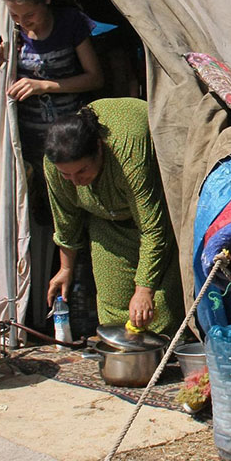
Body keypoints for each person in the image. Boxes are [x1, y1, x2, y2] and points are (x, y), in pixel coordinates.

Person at [43, 99, 184, 337]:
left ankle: (158, 360)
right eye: (67, 175)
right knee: (114, 310)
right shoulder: (55, 165)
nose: (75, 181)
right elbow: (66, 218)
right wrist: (66, 268)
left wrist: (144, 290)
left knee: (158, 311)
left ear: (99, 148)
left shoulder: (129, 155)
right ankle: (123, 362)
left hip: (156, 217)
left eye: (82, 171)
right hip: (106, 220)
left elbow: (153, 229)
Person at [0, 0, 104, 164]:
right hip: (29, 138)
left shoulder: (70, 23)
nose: (23, 22)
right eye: (15, 16)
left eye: (29, 15)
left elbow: (95, 78)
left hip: (71, 136)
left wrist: (43, 86)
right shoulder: (9, 32)